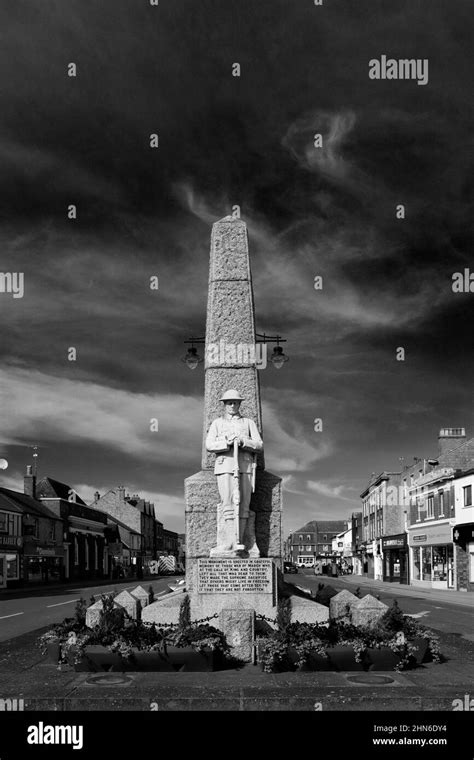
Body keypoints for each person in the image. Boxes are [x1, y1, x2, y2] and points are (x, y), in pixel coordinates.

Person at [206, 389, 263, 556]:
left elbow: (259, 445)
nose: (232, 405)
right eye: (229, 402)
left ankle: (242, 541)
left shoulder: (248, 423)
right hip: (224, 466)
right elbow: (209, 445)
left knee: (244, 504)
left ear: (239, 404)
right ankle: (229, 542)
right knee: (228, 503)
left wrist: (244, 441)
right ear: (224, 404)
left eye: (235, 402)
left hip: (244, 466)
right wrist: (226, 442)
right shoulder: (217, 423)